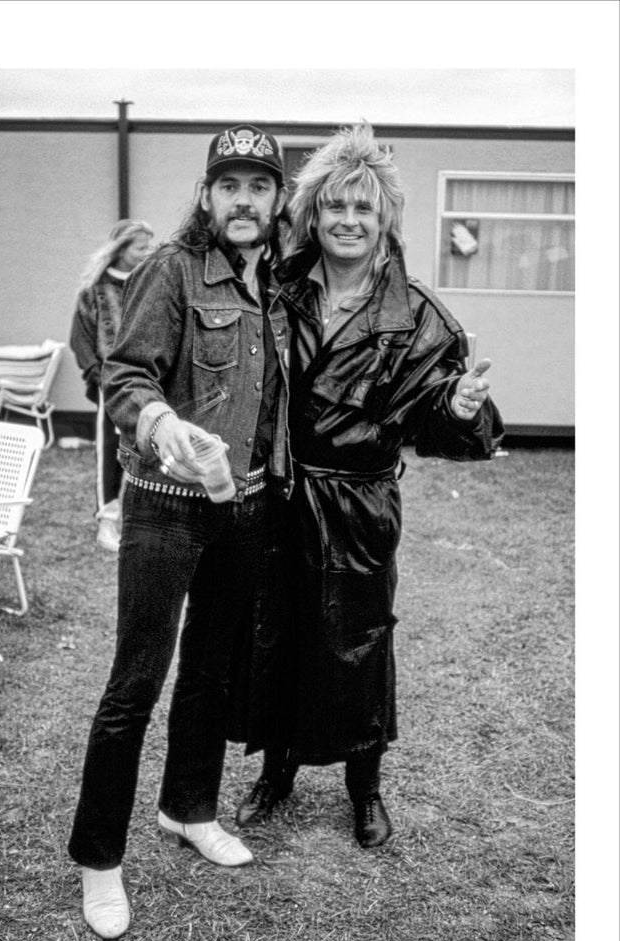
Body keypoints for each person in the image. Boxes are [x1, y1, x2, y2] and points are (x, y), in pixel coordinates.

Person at [235, 122, 504, 850]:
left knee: (357, 641)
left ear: (383, 220)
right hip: (282, 496)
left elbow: (446, 420)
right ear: (312, 215)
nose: (347, 221)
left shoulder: (415, 314)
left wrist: (458, 407)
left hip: (357, 504)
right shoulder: (275, 291)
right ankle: (276, 772)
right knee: (279, 632)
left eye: (363, 209)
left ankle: (364, 787)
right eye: (334, 207)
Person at [67, 124, 292, 940]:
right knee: (136, 683)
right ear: (207, 195)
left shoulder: (278, 285)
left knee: (210, 675)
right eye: (228, 183)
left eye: (258, 185)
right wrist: (164, 424)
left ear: (276, 200)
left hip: (244, 508)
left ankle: (188, 807)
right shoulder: (172, 266)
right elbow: (125, 374)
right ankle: (100, 861)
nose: (243, 198)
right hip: (165, 502)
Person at [69, 218, 155, 552]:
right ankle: (107, 520)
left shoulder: (149, 283)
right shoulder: (93, 290)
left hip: (148, 382)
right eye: (140, 247)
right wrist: (96, 373)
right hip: (109, 384)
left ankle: (141, 517)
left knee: (146, 447)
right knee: (108, 451)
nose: (146, 253)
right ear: (120, 248)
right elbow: (79, 338)